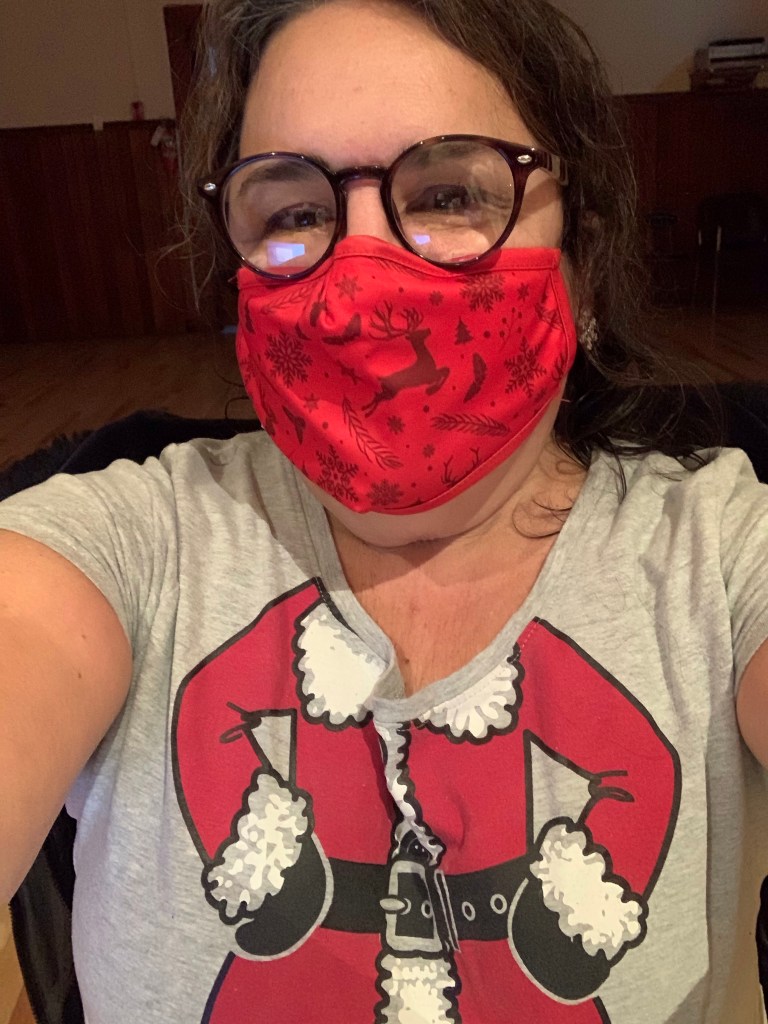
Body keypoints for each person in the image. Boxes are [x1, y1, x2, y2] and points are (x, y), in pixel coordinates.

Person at [1, 0, 767, 1020]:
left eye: (449, 193)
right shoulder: (138, 541)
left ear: (580, 263)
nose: (359, 280)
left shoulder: (718, 552)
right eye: (294, 213)